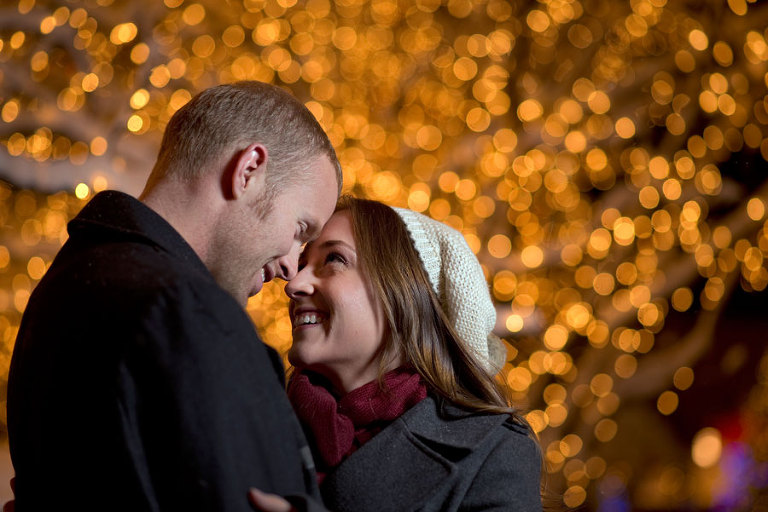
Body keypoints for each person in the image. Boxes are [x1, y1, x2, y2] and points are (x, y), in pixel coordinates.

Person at [7, 81, 341, 511]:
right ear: (248, 170)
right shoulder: (188, 310)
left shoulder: (66, 282)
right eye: (299, 229)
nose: (292, 268)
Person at [273, 196, 542, 511]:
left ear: (406, 294)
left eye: (334, 259)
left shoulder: (493, 452)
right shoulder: (259, 419)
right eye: (302, 265)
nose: (294, 284)